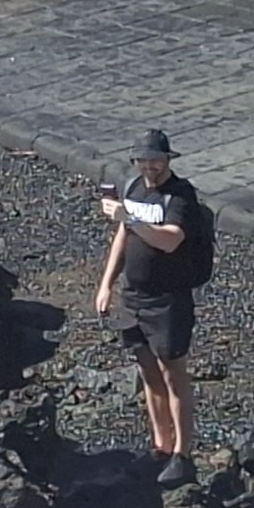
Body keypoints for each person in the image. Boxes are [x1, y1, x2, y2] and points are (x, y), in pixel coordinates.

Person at [96, 129, 201, 488]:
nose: (150, 167)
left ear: (168, 159)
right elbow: (123, 238)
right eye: (144, 161)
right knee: (148, 373)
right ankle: (161, 445)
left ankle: (182, 455)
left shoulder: (180, 196)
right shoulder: (132, 188)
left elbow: (171, 240)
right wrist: (107, 283)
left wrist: (131, 218)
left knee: (174, 375)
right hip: (134, 297)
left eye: (156, 160)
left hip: (168, 300)